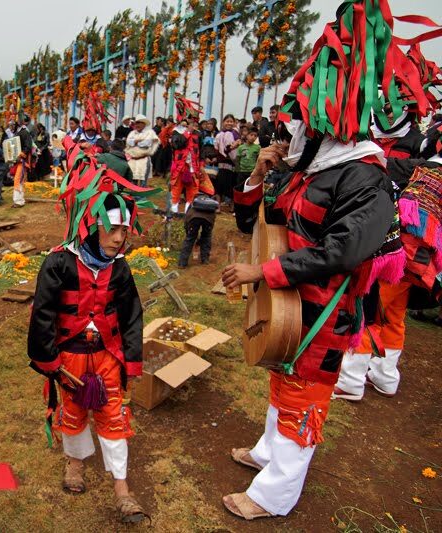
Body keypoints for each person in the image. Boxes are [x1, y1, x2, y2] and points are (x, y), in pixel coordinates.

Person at [220, 0, 432, 519]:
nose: (294, 126)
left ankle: (274, 496)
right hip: (292, 302)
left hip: (327, 313)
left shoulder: (364, 177)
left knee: (303, 396)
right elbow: (266, 223)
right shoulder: (311, 168)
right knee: (281, 377)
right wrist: (260, 176)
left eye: (303, 117)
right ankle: (268, 454)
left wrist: (263, 272)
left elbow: (343, 252)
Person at [28, 136, 156, 524]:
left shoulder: (120, 268)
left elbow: (132, 316)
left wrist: (131, 361)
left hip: (106, 357)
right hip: (69, 357)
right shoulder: (58, 264)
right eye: (111, 229)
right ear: (89, 223)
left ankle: (122, 486)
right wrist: (48, 360)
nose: (120, 238)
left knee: (113, 414)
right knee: (73, 411)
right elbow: (43, 316)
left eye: (125, 230)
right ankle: (75, 464)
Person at [335, 125, 442, 401]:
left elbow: (411, 217)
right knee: (394, 316)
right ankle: (385, 377)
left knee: (368, 311)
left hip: (402, 255)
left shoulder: (426, 174)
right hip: (423, 264)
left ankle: (351, 380)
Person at [178, 173, 218, 267]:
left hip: (193, 219)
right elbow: (212, 220)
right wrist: (205, 235)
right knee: (206, 237)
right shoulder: (211, 205)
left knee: (190, 239)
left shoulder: (193, 203)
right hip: (208, 220)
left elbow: (187, 218)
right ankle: (205, 260)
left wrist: (188, 231)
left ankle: (182, 263)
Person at [169, 120, 203, 215]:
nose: (191, 125)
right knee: (176, 190)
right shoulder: (176, 132)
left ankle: (189, 214)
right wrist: (187, 132)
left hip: (194, 167)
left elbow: (201, 150)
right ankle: (173, 213)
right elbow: (177, 145)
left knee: (193, 192)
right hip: (179, 167)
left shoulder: (198, 135)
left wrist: (201, 165)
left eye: (192, 123)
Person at [214, 114, 241, 205]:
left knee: (232, 183)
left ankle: (232, 206)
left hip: (232, 163)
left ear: (234, 123)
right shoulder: (219, 134)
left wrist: (231, 149)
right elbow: (216, 147)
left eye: (231, 121)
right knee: (219, 184)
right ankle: (218, 205)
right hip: (221, 162)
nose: (229, 123)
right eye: (227, 121)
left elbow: (238, 147)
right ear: (223, 122)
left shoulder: (235, 134)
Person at [125, 114, 160, 186]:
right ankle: (133, 195)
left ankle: (141, 196)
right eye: (136, 123)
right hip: (133, 159)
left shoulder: (150, 132)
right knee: (133, 179)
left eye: (138, 123)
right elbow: (128, 142)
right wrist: (136, 141)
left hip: (144, 159)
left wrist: (135, 142)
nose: (136, 125)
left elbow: (146, 143)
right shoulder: (132, 133)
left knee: (143, 180)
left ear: (143, 123)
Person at [11, 116, 34, 207]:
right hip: (18, 160)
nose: (11, 126)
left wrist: (21, 154)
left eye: (13, 124)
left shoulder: (24, 132)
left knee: (18, 179)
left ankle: (19, 201)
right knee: (18, 180)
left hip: (22, 160)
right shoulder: (19, 132)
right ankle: (19, 200)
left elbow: (28, 146)